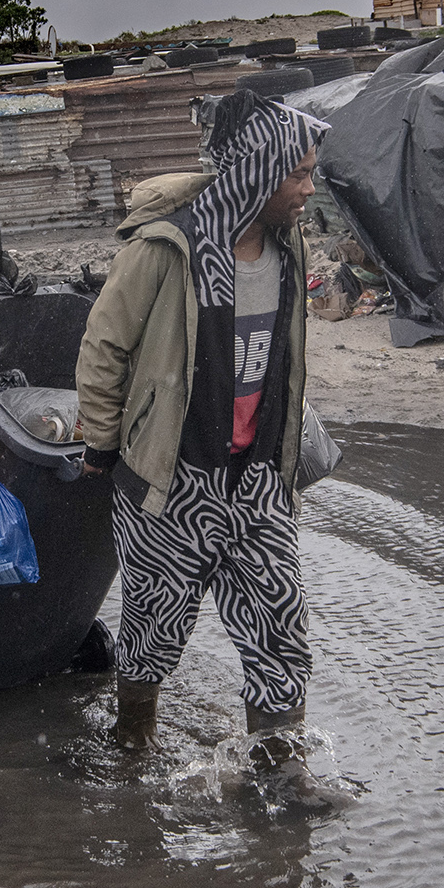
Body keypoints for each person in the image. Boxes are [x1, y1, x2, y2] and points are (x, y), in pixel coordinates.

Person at [74, 90, 351, 810]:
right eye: (300, 174)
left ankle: (280, 776)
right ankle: (131, 755)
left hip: (256, 478)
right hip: (172, 477)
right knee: (153, 631)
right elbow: (105, 345)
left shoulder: (287, 242)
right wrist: (102, 446)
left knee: (278, 624)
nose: (308, 189)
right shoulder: (166, 245)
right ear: (260, 171)